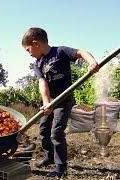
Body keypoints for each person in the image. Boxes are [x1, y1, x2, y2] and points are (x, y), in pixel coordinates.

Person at [21, 27, 99, 177]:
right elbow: (42, 83)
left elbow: (82, 53)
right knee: (43, 130)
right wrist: (46, 102)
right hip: (48, 102)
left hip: (64, 100)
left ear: (36, 43)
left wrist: (92, 62)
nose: (29, 53)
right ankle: (50, 157)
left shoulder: (60, 52)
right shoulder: (38, 63)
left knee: (56, 132)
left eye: (28, 49)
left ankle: (61, 167)